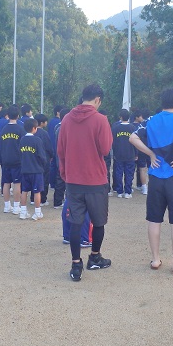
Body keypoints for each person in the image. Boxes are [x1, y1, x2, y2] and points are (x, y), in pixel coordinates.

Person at [130, 88, 173, 275]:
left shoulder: (150, 120)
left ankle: (155, 259)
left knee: (154, 219)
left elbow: (133, 138)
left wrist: (151, 154)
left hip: (156, 177)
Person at [57, 84, 113, 282]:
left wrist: (65, 173)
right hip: (95, 180)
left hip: (73, 180)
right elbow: (105, 149)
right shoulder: (100, 120)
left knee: (75, 222)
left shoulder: (66, 119)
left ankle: (76, 263)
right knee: (98, 222)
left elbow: (60, 150)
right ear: (97, 99)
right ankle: (94, 257)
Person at [19, 118, 47, 220]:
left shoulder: (22, 140)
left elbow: (20, 154)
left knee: (24, 191)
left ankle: (23, 212)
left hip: (25, 169)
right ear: (34, 128)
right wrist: (43, 165)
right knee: (37, 191)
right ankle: (37, 212)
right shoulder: (37, 140)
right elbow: (42, 156)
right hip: (36, 170)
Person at [0, 106, 27, 214]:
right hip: (17, 160)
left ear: (7, 115)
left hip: (5, 159)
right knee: (17, 183)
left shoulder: (4, 129)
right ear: (18, 116)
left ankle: (6, 206)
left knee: (6, 183)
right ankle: (16, 206)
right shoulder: (20, 129)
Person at [111, 108, 137, 198]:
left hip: (118, 154)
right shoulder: (133, 128)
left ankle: (119, 191)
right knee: (129, 173)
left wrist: (114, 152)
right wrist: (136, 153)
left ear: (120, 117)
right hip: (130, 154)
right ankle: (128, 192)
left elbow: (112, 142)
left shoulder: (115, 128)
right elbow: (136, 142)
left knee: (118, 173)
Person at [33, 113, 54, 206]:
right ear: (42, 123)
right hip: (44, 159)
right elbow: (49, 147)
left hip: (33, 159)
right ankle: (42, 199)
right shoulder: (44, 133)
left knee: (34, 178)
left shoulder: (32, 132)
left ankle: (33, 198)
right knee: (44, 179)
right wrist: (52, 155)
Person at [48, 105, 63, 188]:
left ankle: (52, 183)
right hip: (57, 146)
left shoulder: (51, 121)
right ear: (58, 112)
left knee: (52, 165)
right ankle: (56, 183)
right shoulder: (58, 122)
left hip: (51, 145)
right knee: (57, 166)